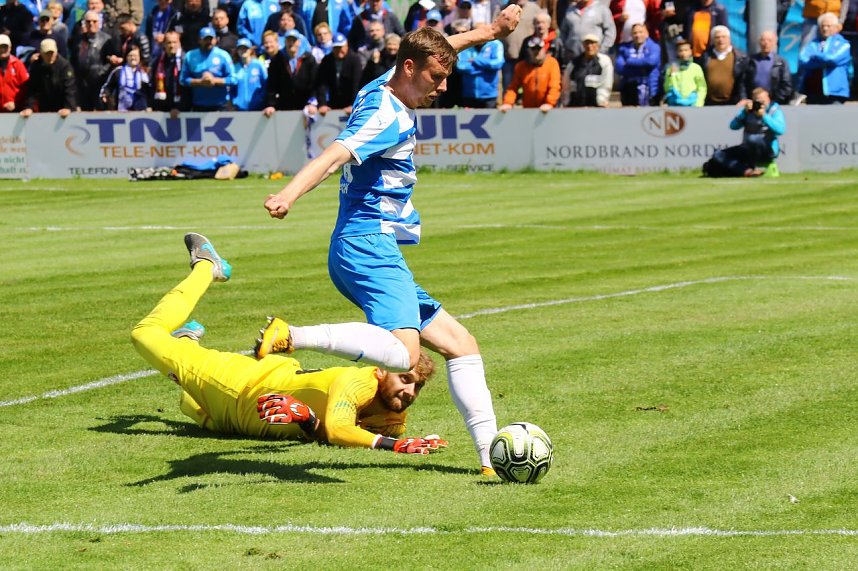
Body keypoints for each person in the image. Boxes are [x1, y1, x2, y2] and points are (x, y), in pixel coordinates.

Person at [261, 5, 523, 475]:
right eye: (435, 79)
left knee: (461, 344)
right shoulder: (385, 116)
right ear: (408, 69)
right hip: (366, 243)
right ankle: (293, 335)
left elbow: (443, 47)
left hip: (370, 244)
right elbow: (333, 156)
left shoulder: (386, 83)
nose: (442, 87)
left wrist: (492, 30)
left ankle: (490, 460)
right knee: (405, 355)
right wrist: (287, 195)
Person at [131, 233, 447, 454]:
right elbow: (338, 430)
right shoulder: (357, 382)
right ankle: (206, 267)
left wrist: (306, 419)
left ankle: (186, 345)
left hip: (230, 421)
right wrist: (396, 447)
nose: (410, 392)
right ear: (380, 370)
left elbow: (328, 435)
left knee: (189, 403)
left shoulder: (393, 419)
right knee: (145, 334)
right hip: (237, 385)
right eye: (405, 379)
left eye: (417, 386)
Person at [702, 87, 785, 178]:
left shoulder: (774, 110)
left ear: (768, 99)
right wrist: (744, 113)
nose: (761, 104)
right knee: (718, 155)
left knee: (753, 139)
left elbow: (780, 130)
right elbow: (733, 126)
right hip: (747, 148)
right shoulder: (749, 111)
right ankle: (747, 171)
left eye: (763, 101)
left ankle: (751, 167)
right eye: (758, 101)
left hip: (768, 149)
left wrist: (764, 116)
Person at [798, 12, 852, 104]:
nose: (825, 28)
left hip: (835, 93)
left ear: (836, 27)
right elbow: (802, 60)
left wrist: (815, 56)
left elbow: (833, 59)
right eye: (822, 26)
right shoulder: (813, 43)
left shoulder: (843, 44)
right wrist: (824, 62)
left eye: (828, 26)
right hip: (813, 92)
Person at [69, 9, 118, 111]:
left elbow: (111, 61)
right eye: (88, 21)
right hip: (82, 83)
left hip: (100, 82)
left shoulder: (107, 40)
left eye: (94, 21)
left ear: (99, 23)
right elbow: (73, 59)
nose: (91, 24)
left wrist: (100, 72)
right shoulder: (78, 39)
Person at [179, 25, 237, 111]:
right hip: (198, 105)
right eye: (205, 39)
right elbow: (182, 79)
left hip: (221, 105)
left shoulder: (223, 55)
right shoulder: (190, 56)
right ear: (199, 40)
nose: (209, 42)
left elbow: (233, 79)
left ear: (215, 40)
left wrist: (215, 81)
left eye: (211, 39)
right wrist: (200, 82)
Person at [499, 34, 560, 111]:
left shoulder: (552, 63)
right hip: (528, 110)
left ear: (544, 49)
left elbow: (554, 86)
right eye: (533, 49)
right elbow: (513, 88)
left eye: (539, 48)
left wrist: (549, 103)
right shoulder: (521, 66)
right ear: (528, 50)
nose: (536, 52)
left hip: (548, 109)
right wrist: (508, 103)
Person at [263, 29, 317, 112]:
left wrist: (312, 103)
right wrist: (271, 104)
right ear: (285, 42)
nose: (291, 43)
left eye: (294, 40)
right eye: (289, 40)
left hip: (306, 106)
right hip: (284, 106)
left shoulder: (309, 58)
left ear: (299, 42)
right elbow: (272, 85)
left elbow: (315, 83)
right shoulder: (277, 59)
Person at [20, 39, 76, 118]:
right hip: (44, 108)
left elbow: (70, 89)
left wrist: (68, 107)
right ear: (41, 53)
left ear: (56, 52)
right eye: (47, 53)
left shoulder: (65, 66)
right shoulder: (36, 66)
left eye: (52, 53)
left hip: (63, 108)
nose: (50, 56)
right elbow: (32, 89)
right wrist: (29, 107)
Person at [313, 32, 363, 114]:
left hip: (351, 104)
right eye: (336, 48)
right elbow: (321, 84)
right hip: (333, 104)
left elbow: (357, 84)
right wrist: (322, 104)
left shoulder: (355, 59)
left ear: (346, 46)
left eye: (341, 47)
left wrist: (353, 104)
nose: (339, 50)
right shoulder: (327, 60)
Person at [456, 22, 504, 108]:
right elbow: (460, 66)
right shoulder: (465, 45)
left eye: (483, 32)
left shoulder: (496, 44)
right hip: (469, 94)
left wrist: (476, 60)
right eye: (477, 32)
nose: (480, 35)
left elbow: (497, 63)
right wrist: (485, 69)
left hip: (489, 95)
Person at [699, 24, 747, 105]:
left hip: (733, 103)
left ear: (729, 38)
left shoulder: (740, 58)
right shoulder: (705, 57)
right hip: (709, 103)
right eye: (717, 37)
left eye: (724, 37)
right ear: (713, 40)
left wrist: (743, 98)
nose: (721, 40)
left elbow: (743, 82)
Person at [615, 22, 660, 106]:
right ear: (631, 35)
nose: (638, 35)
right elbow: (619, 67)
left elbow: (651, 62)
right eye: (635, 33)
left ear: (646, 33)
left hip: (650, 88)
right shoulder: (624, 48)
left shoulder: (654, 47)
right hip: (629, 89)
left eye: (641, 32)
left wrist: (629, 61)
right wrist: (642, 69)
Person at [743, 30, 793, 106]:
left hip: (774, 104)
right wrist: (744, 99)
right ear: (759, 42)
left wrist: (775, 102)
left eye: (769, 40)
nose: (766, 43)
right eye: (763, 40)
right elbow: (742, 82)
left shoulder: (781, 63)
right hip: (752, 103)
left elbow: (786, 85)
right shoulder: (750, 61)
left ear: (774, 43)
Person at [559, 0, 615, 65]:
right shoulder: (570, 9)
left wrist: (602, 50)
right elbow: (564, 31)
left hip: (594, 58)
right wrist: (566, 47)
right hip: (573, 56)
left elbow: (610, 32)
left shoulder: (601, 9)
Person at [565, 32, 612, 107]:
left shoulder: (604, 62)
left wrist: (602, 101)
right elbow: (566, 85)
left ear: (598, 45)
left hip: (597, 106)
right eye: (587, 43)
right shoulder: (574, 63)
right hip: (575, 106)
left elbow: (606, 84)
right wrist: (566, 102)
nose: (589, 46)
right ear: (583, 45)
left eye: (592, 43)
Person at [100, 45, 150, 110]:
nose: (133, 58)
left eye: (135, 56)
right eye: (130, 55)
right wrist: (105, 94)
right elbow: (108, 86)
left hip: (141, 109)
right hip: (122, 109)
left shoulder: (144, 73)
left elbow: (150, 90)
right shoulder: (118, 71)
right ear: (126, 57)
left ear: (140, 57)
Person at [150, 30, 187, 115]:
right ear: (164, 44)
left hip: (181, 110)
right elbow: (153, 84)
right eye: (169, 43)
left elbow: (187, 88)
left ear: (179, 43)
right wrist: (153, 105)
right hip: (161, 108)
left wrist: (180, 107)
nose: (172, 46)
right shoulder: (158, 62)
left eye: (174, 42)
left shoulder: (185, 60)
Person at [663, 37, 705, 106]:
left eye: (686, 50)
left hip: (693, 105)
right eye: (680, 50)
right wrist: (671, 75)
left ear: (690, 51)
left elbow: (702, 88)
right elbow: (667, 88)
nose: (683, 53)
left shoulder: (696, 68)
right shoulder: (671, 68)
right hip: (676, 105)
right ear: (677, 52)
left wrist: (698, 104)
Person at [0, 34, 29, 113]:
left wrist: (15, 103)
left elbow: (26, 87)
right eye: (1, 47)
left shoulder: (18, 64)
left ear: (10, 48)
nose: (3, 49)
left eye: (5, 47)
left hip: (16, 111)